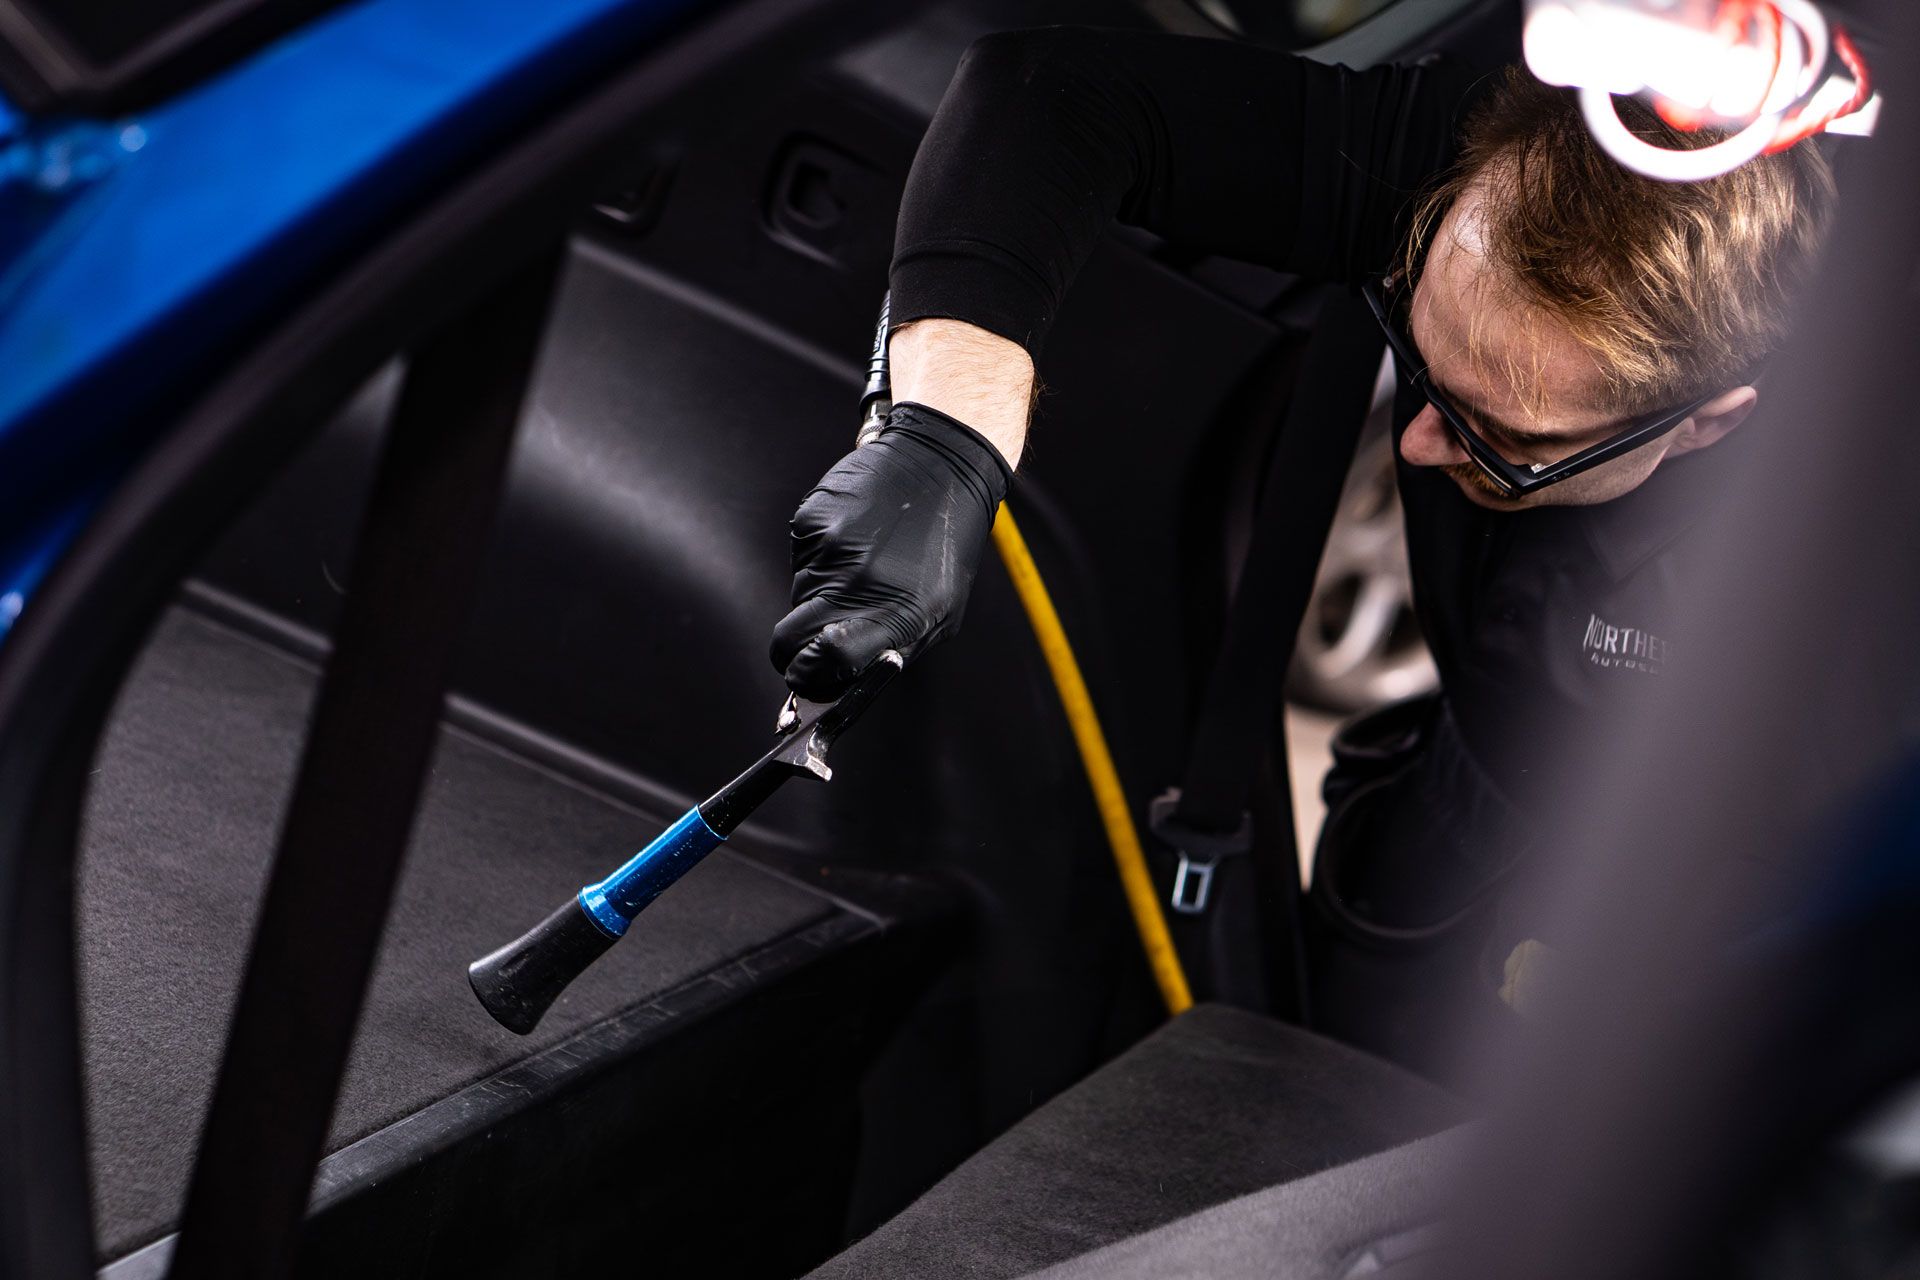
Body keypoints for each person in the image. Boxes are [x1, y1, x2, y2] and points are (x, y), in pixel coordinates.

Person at [767, 27, 1836, 1070]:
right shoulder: (1471, 150)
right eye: (1422, 365)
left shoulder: (1863, 519)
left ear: (1708, 423)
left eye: (1503, 441)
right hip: (1454, 810)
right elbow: (1048, 92)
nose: (1416, 446)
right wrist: (945, 439)